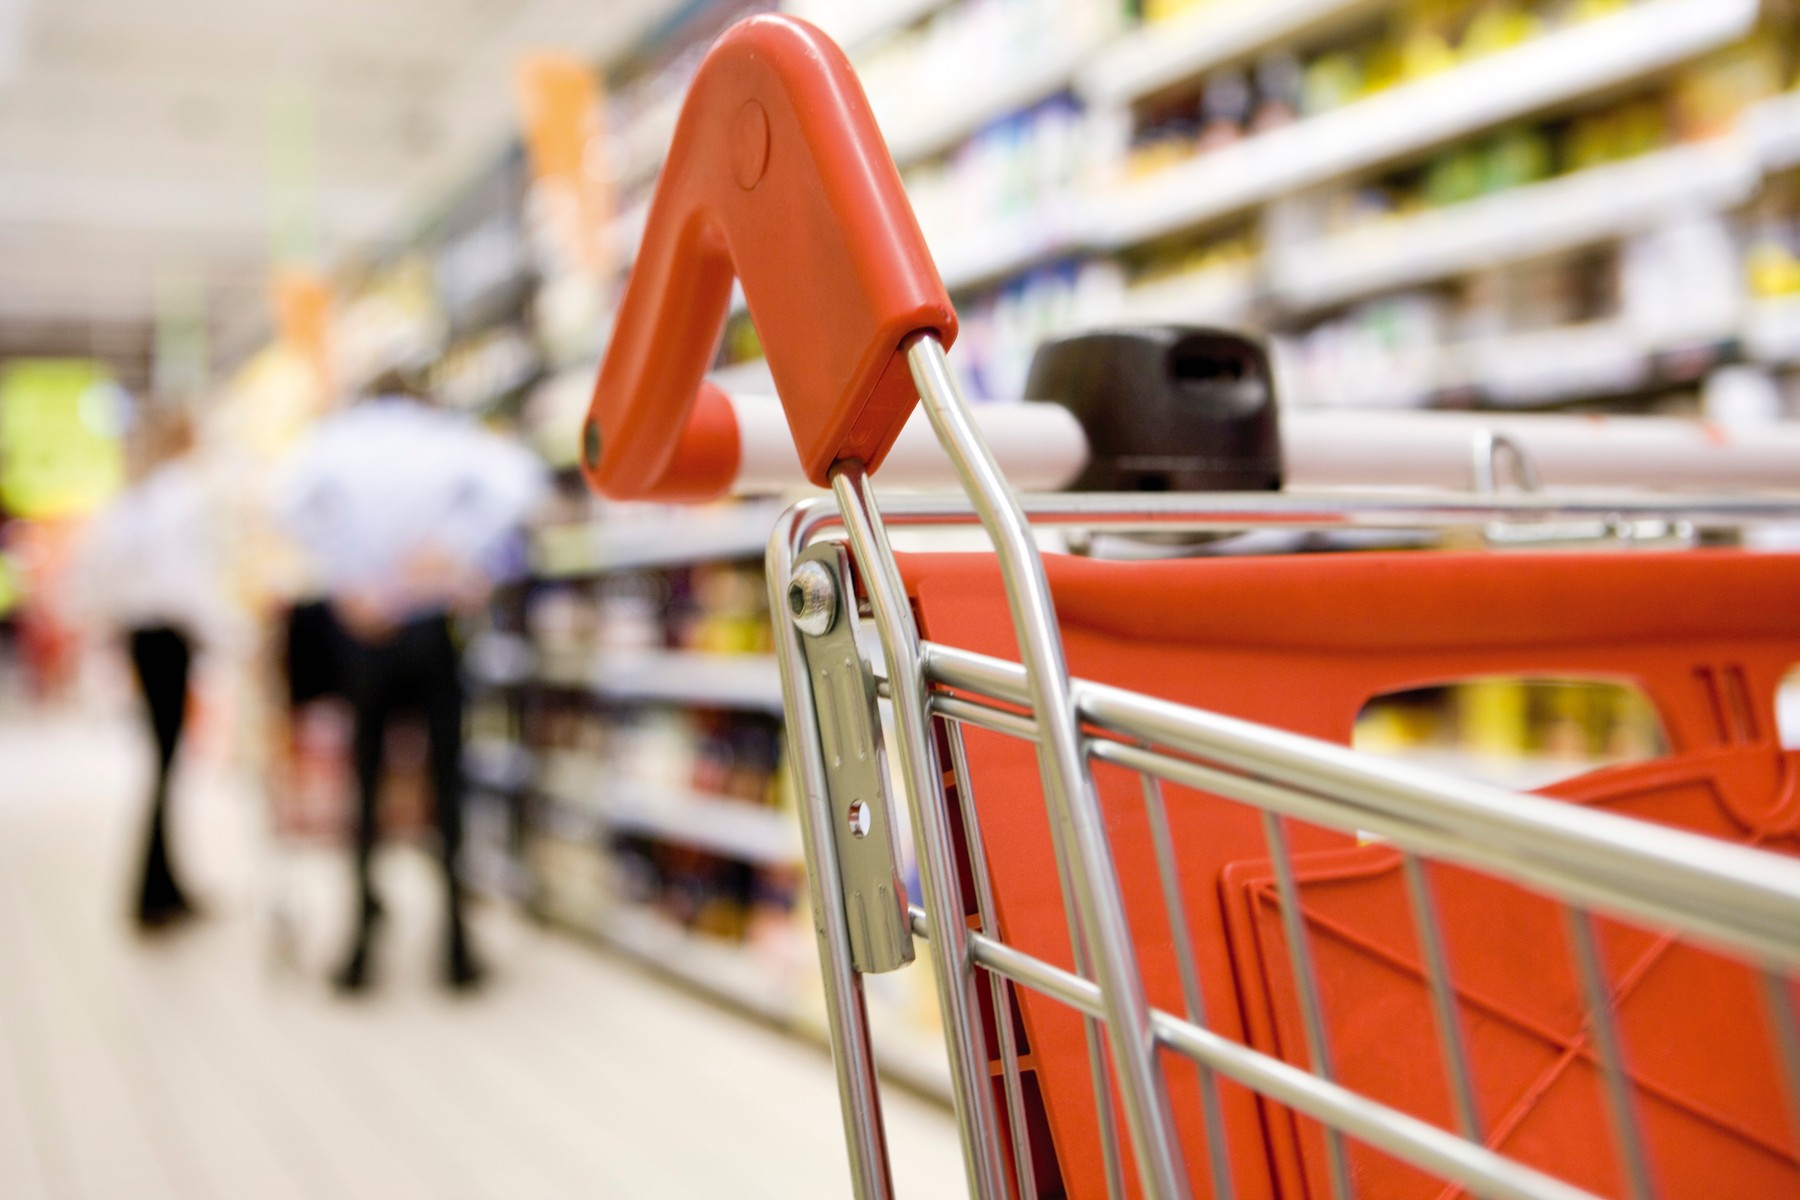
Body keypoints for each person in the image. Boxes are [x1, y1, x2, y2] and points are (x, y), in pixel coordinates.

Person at [275, 369, 545, 992]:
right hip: (429, 624)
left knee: (365, 783)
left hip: (364, 628)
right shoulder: (446, 435)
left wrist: (344, 574)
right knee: (446, 786)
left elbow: (283, 503)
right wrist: (455, 551)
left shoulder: (335, 437)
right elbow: (520, 485)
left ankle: (359, 951)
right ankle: (455, 947)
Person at [76, 406, 244, 930]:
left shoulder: (135, 499)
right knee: (166, 764)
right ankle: (156, 892)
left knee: (161, 762)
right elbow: (187, 584)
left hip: (141, 637)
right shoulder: (182, 496)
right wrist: (234, 637)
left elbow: (95, 573)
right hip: (169, 637)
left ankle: (163, 884)